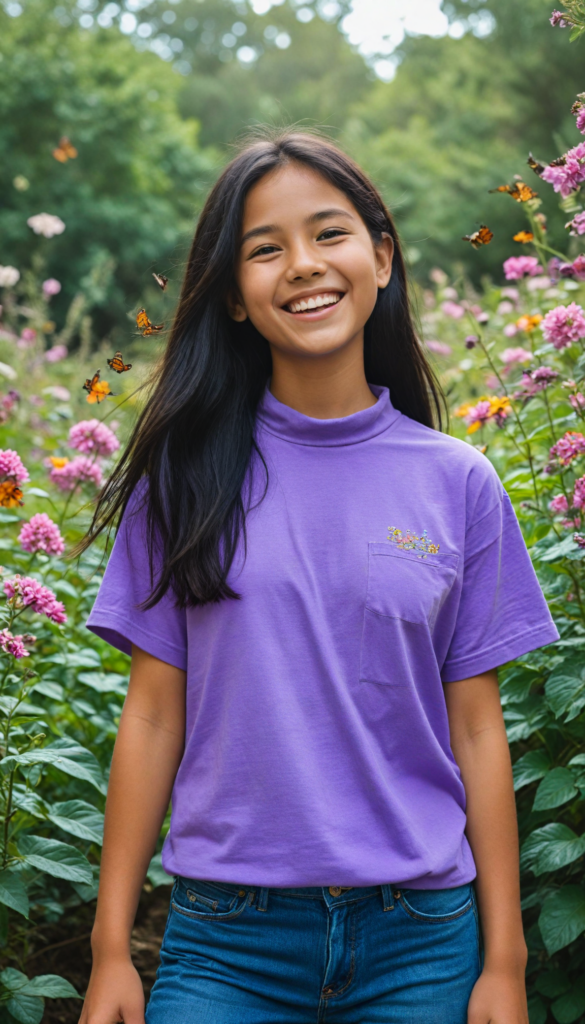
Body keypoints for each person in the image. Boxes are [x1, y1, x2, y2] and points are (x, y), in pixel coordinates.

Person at [78, 131, 558, 1024]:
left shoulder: (457, 482)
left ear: (381, 257)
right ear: (232, 295)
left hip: (421, 941)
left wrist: (505, 960)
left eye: (329, 234)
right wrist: (111, 950)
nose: (302, 264)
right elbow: (150, 716)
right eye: (265, 249)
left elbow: (476, 727)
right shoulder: (182, 482)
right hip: (226, 945)